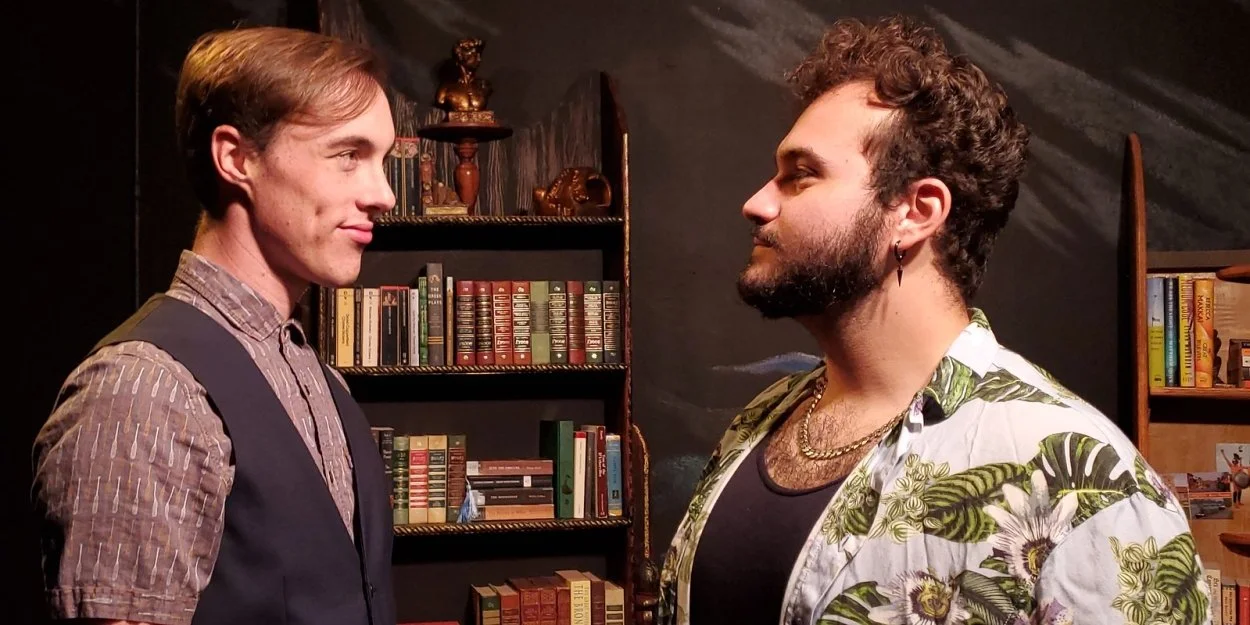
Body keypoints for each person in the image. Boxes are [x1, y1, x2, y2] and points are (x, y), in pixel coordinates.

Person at [658, 14, 1209, 625]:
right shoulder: (761, 420)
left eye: (801, 174)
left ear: (915, 213)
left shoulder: (1085, 484)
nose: (757, 202)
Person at [31, 26, 398, 625]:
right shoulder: (144, 392)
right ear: (237, 158)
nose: (382, 194)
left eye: (382, 161)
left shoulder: (320, 376)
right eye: (348, 155)